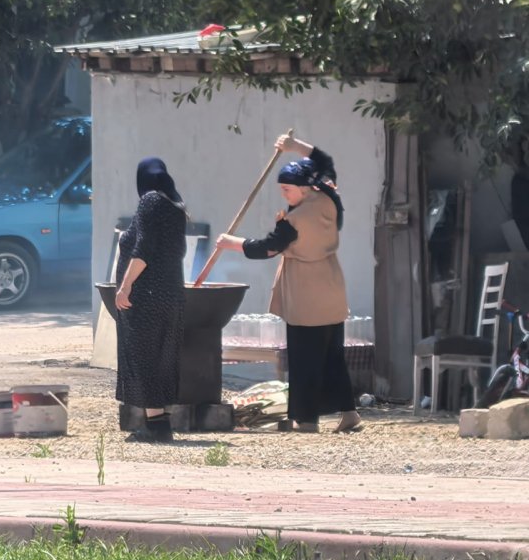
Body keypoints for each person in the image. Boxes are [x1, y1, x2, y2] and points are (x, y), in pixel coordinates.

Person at [215, 134, 362, 434]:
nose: (285, 196)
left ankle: (306, 420)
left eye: (287, 190)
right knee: (333, 357)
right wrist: (295, 147)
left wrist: (232, 243)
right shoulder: (330, 197)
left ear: (304, 188)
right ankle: (349, 414)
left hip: (306, 296)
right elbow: (324, 161)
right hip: (331, 289)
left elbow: (267, 248)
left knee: (304, 359)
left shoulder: (294, 222)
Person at [114, 157, 187, 443]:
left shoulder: (150, 202)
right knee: (162, 356)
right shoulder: (175, 206)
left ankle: (155, 426)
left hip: (146, 295)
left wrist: (125, 286)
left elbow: (144, 248)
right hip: (171, 294)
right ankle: (161, 422)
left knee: (143, 356)